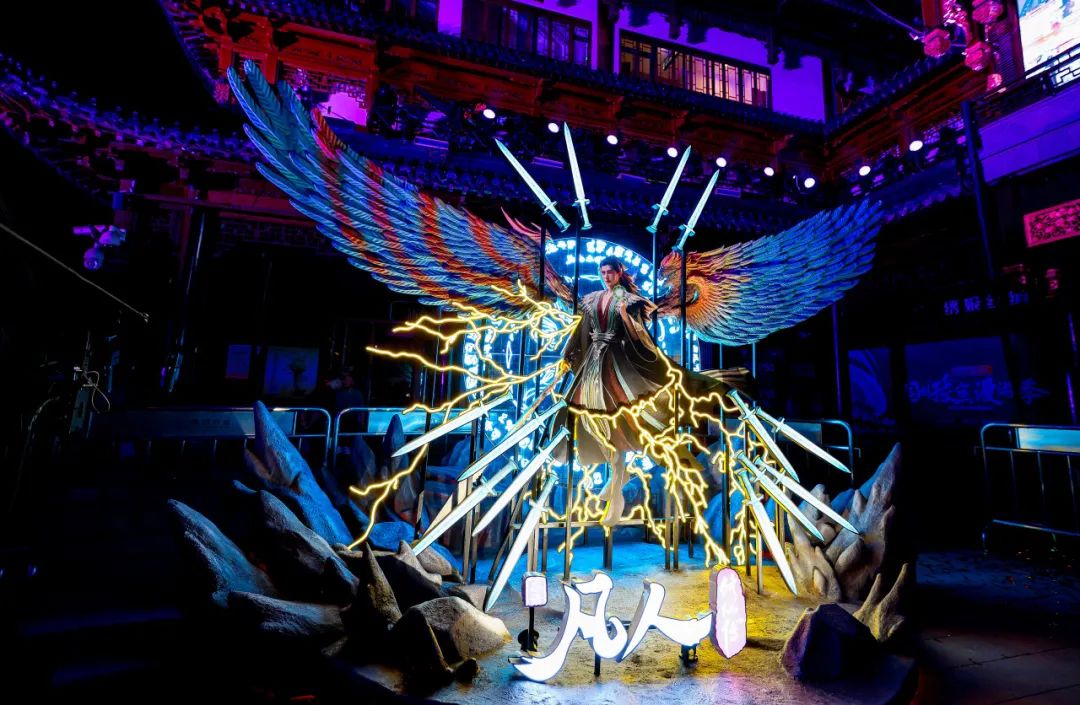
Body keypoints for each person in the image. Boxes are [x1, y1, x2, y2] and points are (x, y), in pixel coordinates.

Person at [558, 256, 750, 527]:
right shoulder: (592, 299)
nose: (606, 276)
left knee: (620, 421)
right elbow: (582, 331)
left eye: (610, 272)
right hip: (594, 365)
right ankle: (617, 475)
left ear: (619, 273)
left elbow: (639, 336)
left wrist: (626, 315)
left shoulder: (630, 301)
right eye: (602, 272)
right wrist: (567, 356)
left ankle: (617, 485)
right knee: (588, 417)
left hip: (620, 364)